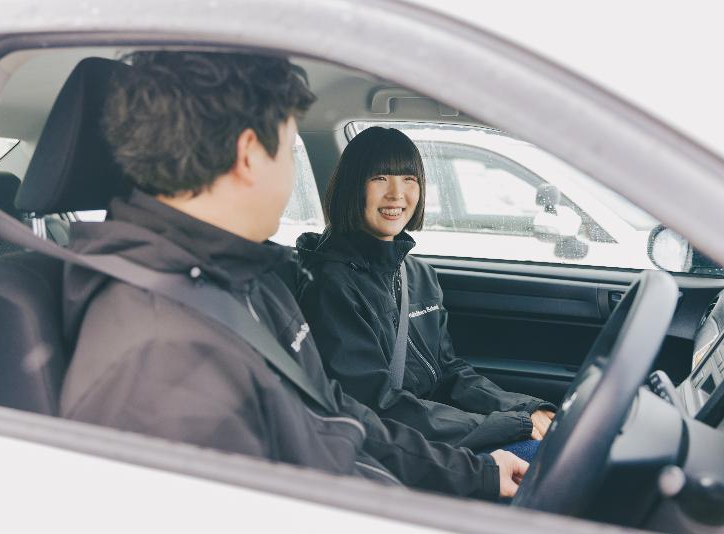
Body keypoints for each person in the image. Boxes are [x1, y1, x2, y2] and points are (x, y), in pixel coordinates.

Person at [59, 51, 527, 500]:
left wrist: (476, 473)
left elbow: (337, 414)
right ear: (249, 155)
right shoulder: (160, 350)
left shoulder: (253, 282)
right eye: (288, 149)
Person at [296, 127, 556, 462]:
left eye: (408, 179)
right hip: (395, 445)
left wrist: (527, 409)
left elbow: (449, 371)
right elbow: (377, 405)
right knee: (541, 460)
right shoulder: (330, 286)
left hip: (431, 429)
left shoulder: (416, 273)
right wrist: (506, 426)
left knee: (556, 443)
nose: (396, 194)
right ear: (352, 187)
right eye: (379, 178)